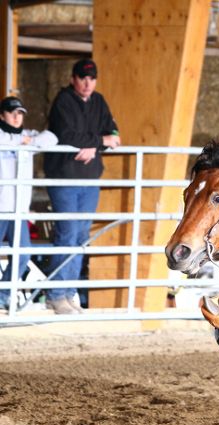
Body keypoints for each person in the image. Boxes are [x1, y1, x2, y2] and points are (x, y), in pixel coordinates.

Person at [43, 58, 120, 314]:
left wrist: (94, 144)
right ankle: (55, 294)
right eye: (83, 78)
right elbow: (66, 135)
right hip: (65, 177)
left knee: (81, 236)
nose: (88, 83)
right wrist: (99, 141)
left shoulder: (99, 101)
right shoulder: (63, 101)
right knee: (67, 233)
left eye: (91, 78)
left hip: (88, 178)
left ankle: (70, 290)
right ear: (73, 79)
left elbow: (115, 132)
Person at [0, 96, 58, 310]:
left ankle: (3, 294)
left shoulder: (28, 136)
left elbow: (51, 138)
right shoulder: (16, 138)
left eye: (20, 113)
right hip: (1, 208)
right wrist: (22, 143)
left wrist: (28, 142)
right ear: (2, 115)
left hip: (19, 210)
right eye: (12, 112)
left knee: (23, 252)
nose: (16, 117)